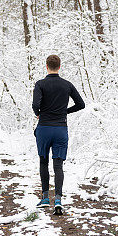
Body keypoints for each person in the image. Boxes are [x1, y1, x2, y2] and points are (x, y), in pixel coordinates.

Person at [31, 54, 85, 214]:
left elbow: (35, 104)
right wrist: (64, 111)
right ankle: (59, 200)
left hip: (44, 128)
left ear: (46, 66)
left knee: (43, 162)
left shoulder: (40, 84)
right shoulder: (67, 85)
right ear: (59, 67)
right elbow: (81, 104)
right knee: (58, 165)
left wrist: (38, 113)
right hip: (61, 128)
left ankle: (45, 198)